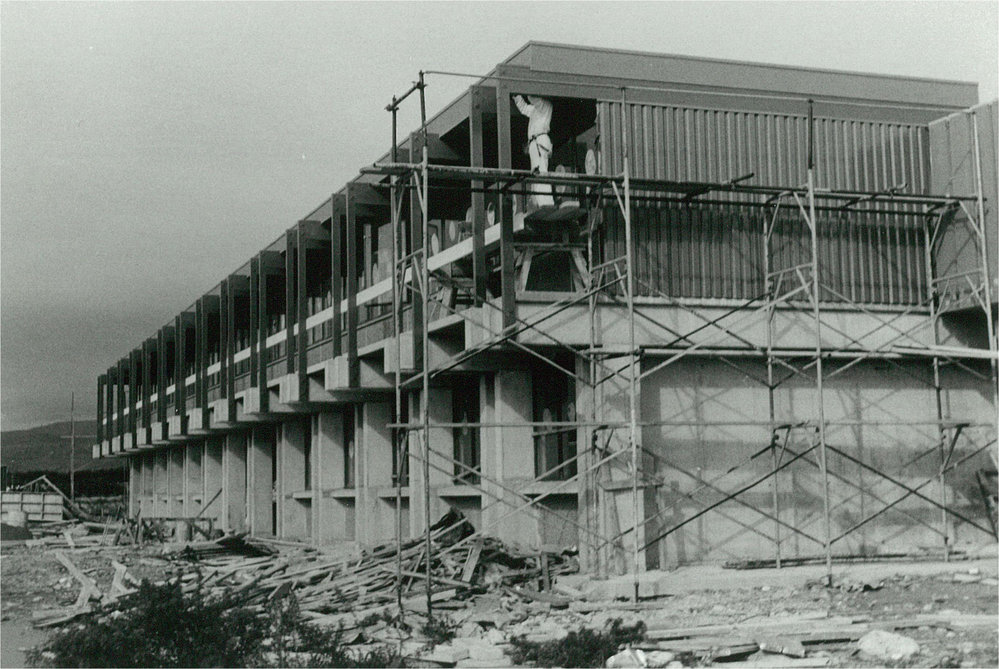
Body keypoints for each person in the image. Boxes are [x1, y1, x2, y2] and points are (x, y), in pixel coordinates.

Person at [514, 94, 555, 207]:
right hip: (535, 142)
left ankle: (547, 203)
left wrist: (525, 89)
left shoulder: (545, 105)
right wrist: (517, 97)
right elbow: (524, 108)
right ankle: (540, 202)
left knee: (541, 172)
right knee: (536, 174)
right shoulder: (536, 109)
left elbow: (533, 98)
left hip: (540, 140)